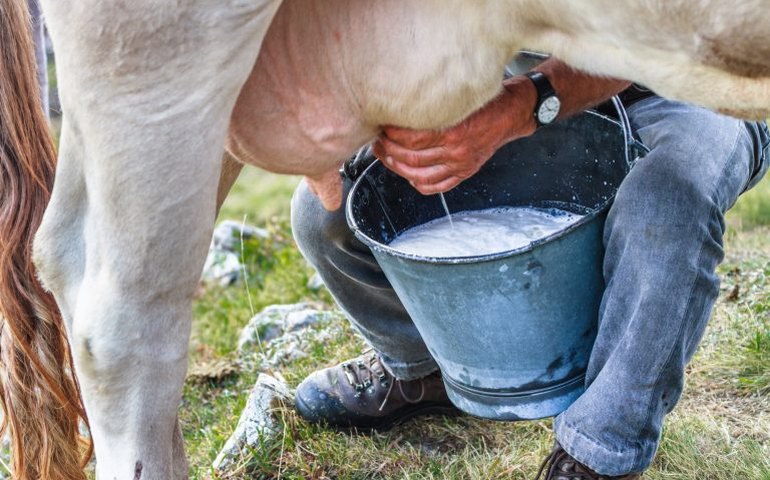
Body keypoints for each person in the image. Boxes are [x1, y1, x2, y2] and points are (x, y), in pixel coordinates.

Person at [289, 56, 770, 479]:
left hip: (693, 85)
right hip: (514, 77)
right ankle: (424, 367)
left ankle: (601, 451)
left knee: (667, 204)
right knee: (327, 212)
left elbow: (651, 40)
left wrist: (518, 109)